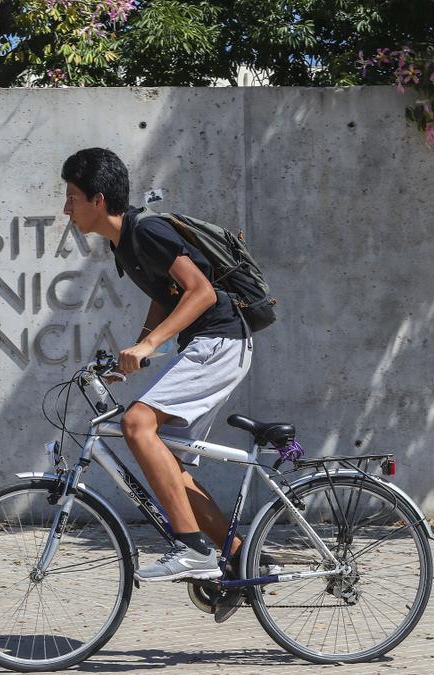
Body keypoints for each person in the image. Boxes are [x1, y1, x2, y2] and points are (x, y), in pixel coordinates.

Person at [60, 148, 252, 588]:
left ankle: (193, 549)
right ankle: (240, 560)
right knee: (167, 462)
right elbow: (165, 294)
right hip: (206, 344)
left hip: (220, 340)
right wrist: (134, 355)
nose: (66, 208)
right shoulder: (122, 244)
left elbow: (200, 292)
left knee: (136, 424)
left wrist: (150, 342)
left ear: (99, 199)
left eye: (72, 196)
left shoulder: (147, 231)